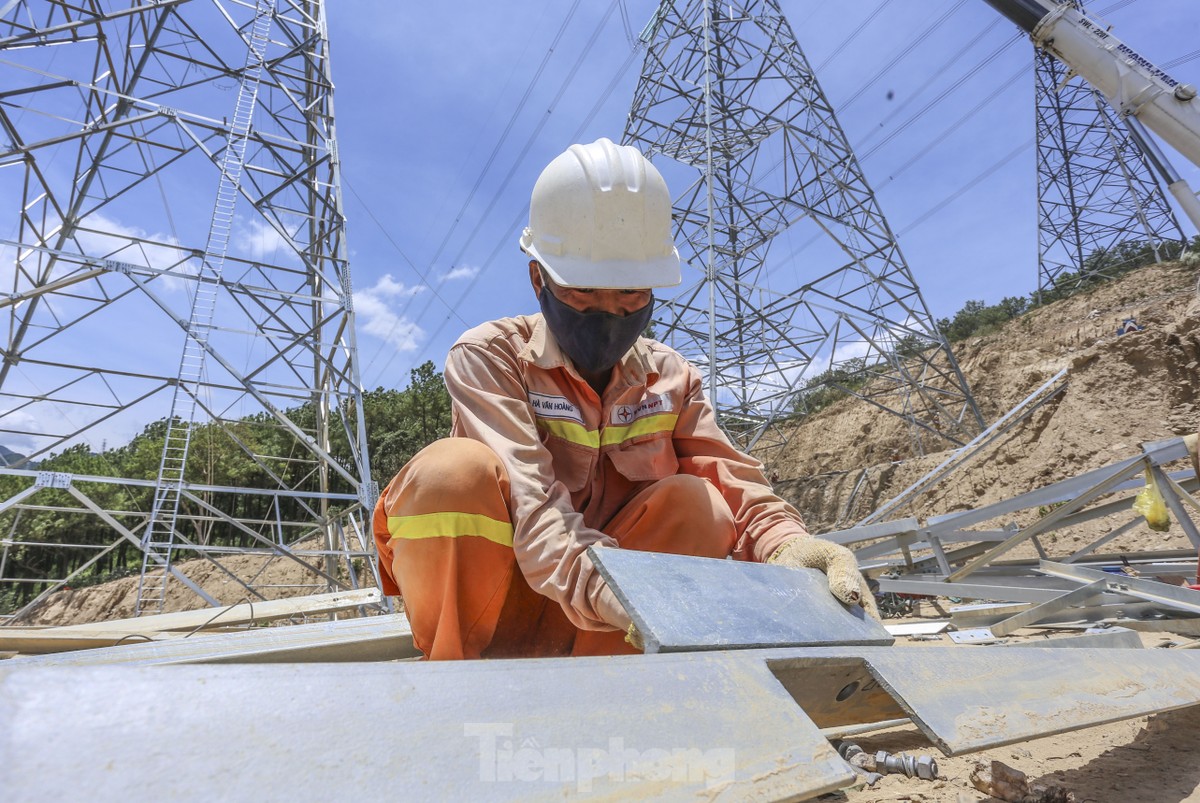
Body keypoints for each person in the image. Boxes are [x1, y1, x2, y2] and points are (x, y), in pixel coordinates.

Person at [372, 137, 877, 661]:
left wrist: (785, 544)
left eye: (631, 294)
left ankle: (612, 679)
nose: (609, 312)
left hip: (610, 624)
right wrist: (619, 592)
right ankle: (459, 679)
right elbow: (533, 504)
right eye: (583, 293)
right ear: (537, 278)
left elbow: (729, 479)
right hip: (504, 602)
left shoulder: (671, 377)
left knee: (699, 504)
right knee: (451, 474)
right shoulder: (493, 358)